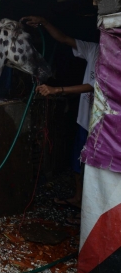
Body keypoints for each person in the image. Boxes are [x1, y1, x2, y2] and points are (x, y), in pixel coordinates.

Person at [21, 15, 97, 223]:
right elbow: (63, 39)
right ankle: (79, 199)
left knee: (95, 166)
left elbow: (94, 86)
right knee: (77, 160)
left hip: (103, 123)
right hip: (85, 117)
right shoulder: (94, 49)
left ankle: (90, 215)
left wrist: (57, 89)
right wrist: (44, 22)